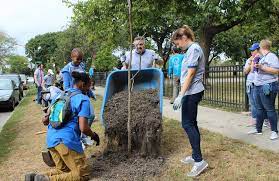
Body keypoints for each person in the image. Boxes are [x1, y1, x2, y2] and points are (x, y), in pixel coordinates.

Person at [25, 71, 100, 181]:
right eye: (89, 86)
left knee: (64, 171)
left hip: (51, 141)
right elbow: (83, 128)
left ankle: (33, 177)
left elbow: (45, 120)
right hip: (66, 141)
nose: (89, 89)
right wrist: (94, 135)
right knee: (82, 174)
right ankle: (46, 180)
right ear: (83, 84)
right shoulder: (83, 99)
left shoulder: (60, 95)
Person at [172, 25, 208, 177]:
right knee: (191, 124)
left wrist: (181, 94)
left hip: (192, 92)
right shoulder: (190, 50)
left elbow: (192, 73)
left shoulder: (194, 49)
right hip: (190, 91)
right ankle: (195, 156)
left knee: (187, 124)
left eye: (178, 43)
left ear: (184, 38)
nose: (178, 46)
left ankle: (199, 162)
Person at [248, 39, 279, 140]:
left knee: (270, 109)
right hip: (257, 85)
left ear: (261, 47)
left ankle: (274, 131)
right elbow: (252, 70)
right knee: (259, 108)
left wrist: (262, 67)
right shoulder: (260, 57)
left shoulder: (272, 57)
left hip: (268, 86)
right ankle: (258, 129)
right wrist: (254, 61)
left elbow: (276, 70)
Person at [244, 43, 260, 126]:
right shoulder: (249, 60)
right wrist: (250, 62)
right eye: (251, 51)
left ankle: (262, 119)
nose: (251, 52)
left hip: (257, 83)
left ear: (258, 50)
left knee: (259, 103)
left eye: (253, 50)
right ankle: (254, 119)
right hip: (250, 83)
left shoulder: (261, 58)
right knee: (252, 103)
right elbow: (245, 71)